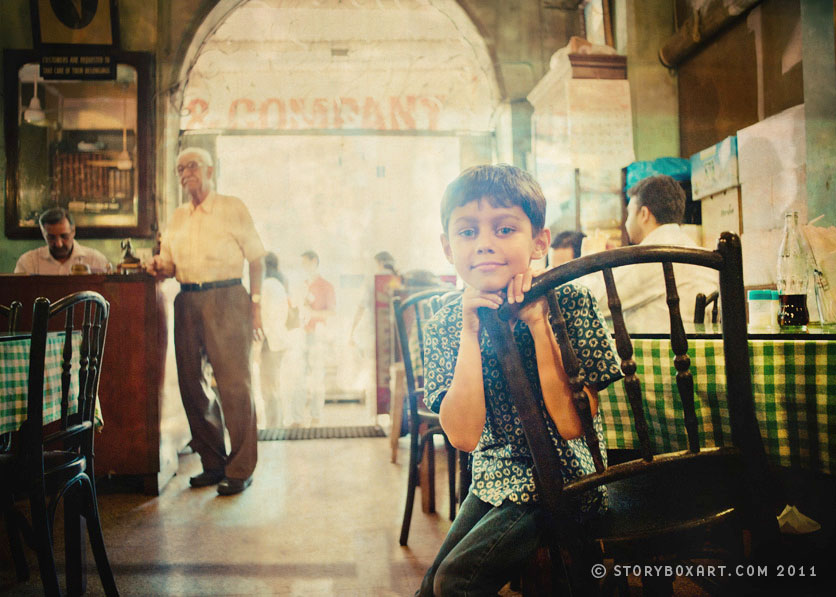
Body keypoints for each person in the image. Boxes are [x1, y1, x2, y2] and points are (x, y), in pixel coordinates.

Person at [417, 164, 622, 595]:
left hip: (570, 478)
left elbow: (571, 427)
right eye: (467, 232)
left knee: (455, 583)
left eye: (505, 228)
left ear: (539, 241)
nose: (485, 244)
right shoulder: (444, 322)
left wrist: (539, 324)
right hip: (493, 476)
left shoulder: (570, 299)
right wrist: (469, 332)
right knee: (431, 586)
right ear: (447, 247)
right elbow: (464, 437)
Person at [145, 147, 266, 496]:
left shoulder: (232, 207)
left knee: (234, 385)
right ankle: (213, 463)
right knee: (190, 383)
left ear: (210, 170)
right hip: (186, 299)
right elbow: (168, 264)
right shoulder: (178, 216)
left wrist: (256, 305)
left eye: (192, 166)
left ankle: (241, 469)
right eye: (180, 168)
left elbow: (257, 259)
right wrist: (158, 267)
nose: (186, 173)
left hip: (228, 297)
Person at [581, 174, 719, 331]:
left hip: (663, 352)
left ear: (644, 214)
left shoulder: (652, 255)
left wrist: (590, 258)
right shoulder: (691, 248)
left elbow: (591, 303)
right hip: (698, 349)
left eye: (630, 213)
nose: (627, 222)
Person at [291, 250, 336, 427]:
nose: (303, 267)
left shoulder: (326, 286)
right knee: (298, 376)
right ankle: (297, 417)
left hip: (318, 334)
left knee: (317, 376)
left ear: (314, 262)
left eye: (306, 263)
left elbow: (332, 312)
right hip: (302, 333)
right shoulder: (302, 285)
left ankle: (316, 415)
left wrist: (313, 313)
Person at [14, 207, 111, 274]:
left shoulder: (96, 260)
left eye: (64, 236)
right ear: (43, 234)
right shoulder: (28, 262)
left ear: (73, 231)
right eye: (51, 237)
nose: (58, 244)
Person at [259, 252, 290, 429]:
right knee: (274, 384)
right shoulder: (280, 284)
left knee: (268, 386)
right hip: (279, 340)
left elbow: (264, 316)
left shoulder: (266, 285)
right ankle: (277, 422)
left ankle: (273, 425)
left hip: (269, 342)